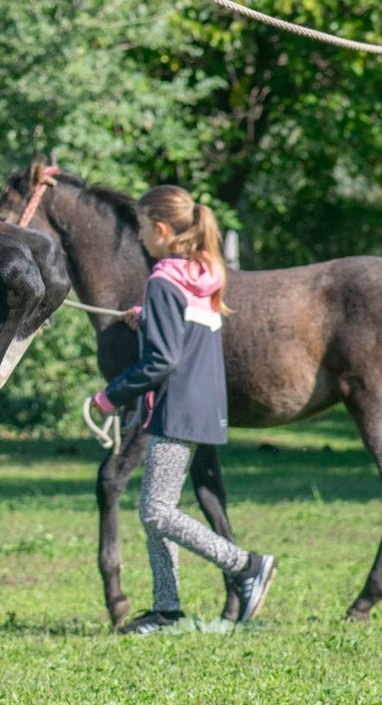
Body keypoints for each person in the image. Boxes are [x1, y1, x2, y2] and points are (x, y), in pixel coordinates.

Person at [92, 185, 277, 634]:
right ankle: (166, 609)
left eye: (140, 228)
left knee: (155, 511)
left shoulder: (162, 279)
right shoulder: (203, 272)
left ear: (159, 229)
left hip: (175, 408)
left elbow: (161, 360)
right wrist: (149, 317)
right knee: (158, 505)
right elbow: (182, 336)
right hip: (204, 405)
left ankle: (246, 565)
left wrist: (109, 395)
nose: (138, 237)